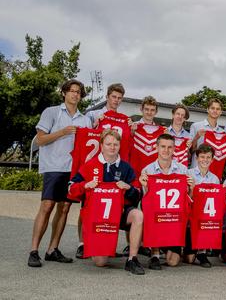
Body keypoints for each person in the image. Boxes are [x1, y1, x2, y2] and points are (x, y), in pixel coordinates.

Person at [29, 79, 92, 268]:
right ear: (64, 93)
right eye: (72, 91)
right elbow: (40, 140)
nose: (75, 95)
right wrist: (62, 132)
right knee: (47, 206)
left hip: (73, 170)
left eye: (79, 92)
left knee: (64, 208)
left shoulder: (85, 119)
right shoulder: (51, 112)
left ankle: (52, 249)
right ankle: (34, 251)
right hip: (53, 166)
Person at [67, 129, 145, 274]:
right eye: (108, 144)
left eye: (116, 144)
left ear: (120, 146)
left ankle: (132, 259)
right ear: (101, 145)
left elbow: (138, 194)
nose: (112, 147)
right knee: (100, 262)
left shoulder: (126, 167)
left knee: (138, 215)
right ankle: (102, 247)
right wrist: (85, 185)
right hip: (98, 218)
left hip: (120, 213)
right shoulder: (90, 165)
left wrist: (128, 188)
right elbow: (71, 188)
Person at [139, 134, 192, 270]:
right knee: (152, 212)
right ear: (156, 148)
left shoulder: (183, 170)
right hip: (157, 215)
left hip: (174, 219)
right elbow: (146, 201)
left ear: (174, 149)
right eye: (163, 146)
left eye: (170, 147)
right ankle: (155, 253)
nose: (166, 150)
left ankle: (168, 245)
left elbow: (187, 199)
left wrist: (192, 188)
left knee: (173, 262)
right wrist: (144, 185)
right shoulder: (147, 170)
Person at [186, 143, 220, 268]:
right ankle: (188, 249)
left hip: (205, 218)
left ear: (212, 159)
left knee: (208, 221)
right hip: (190, 218)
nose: (205, 160)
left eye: (208, 157)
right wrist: (192, 190)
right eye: (202, 157)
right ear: (197, 158)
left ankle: (202, 252)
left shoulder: (215, 179)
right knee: (189, 259)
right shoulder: (188, 174)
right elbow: (184, 200)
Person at [189, 98, 225, 167]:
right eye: (212, 108)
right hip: (196, 170)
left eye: (218, 109)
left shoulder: (222, 132)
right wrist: (196, 137)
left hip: (214, 171)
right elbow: (190, 151)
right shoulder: (196, 126)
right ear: (208, 110)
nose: (215, 111)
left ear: (221, 112)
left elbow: (222, 154)